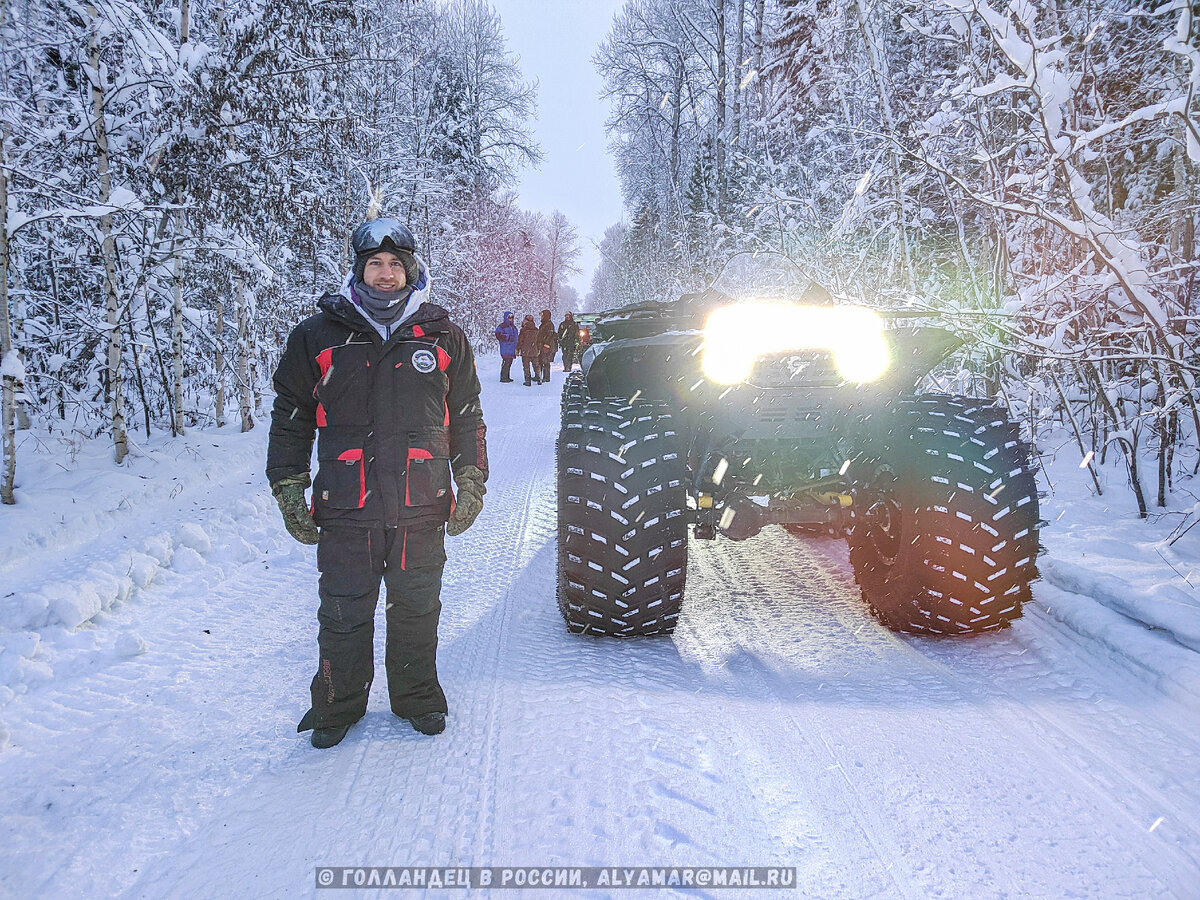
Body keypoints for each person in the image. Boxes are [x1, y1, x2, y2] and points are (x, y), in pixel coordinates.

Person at [266, 217, 488, 750]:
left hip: (421, 501)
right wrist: (288, 484)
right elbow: (291, 413)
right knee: (343, 607)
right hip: (347, 503)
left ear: (411, 269)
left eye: (395, 264)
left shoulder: (442, 335)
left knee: (416, 607)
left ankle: (416, 697)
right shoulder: (320, 334)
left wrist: (472, 478)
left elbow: (466, 415)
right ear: (358, 268)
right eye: (374, 264)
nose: (385, 275)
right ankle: (337, 704)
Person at [516, 314, 541, 385]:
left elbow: (520, 341)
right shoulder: (536, 330)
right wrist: (538, 349)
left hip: (525, 351)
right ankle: (539, 378)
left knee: (526, 366)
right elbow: (539, 341)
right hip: (534, 350)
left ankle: (528, 380)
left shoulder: (523, 330)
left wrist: (517, 349)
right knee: (536, 365)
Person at [494, 311, 517, 382]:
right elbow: (498, 335)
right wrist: (507, 337)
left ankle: (507, 377)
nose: (511, 319)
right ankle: (503, 377)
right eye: (509, 317)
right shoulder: (502, 326)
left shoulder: (513, 327)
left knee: (509, 363)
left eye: (512, 317)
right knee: (506, 363)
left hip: (512, 348)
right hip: (505, 348)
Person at [536, 309, 558, 384]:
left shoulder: (549, 324)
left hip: (546, 346)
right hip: (542, 345)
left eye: (542, 316)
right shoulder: (544, 324)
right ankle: (539, 376)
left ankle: (546, 377)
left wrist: (546, 345)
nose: (541, 317)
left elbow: (550, 335)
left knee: (545, 361)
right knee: (540, 361)